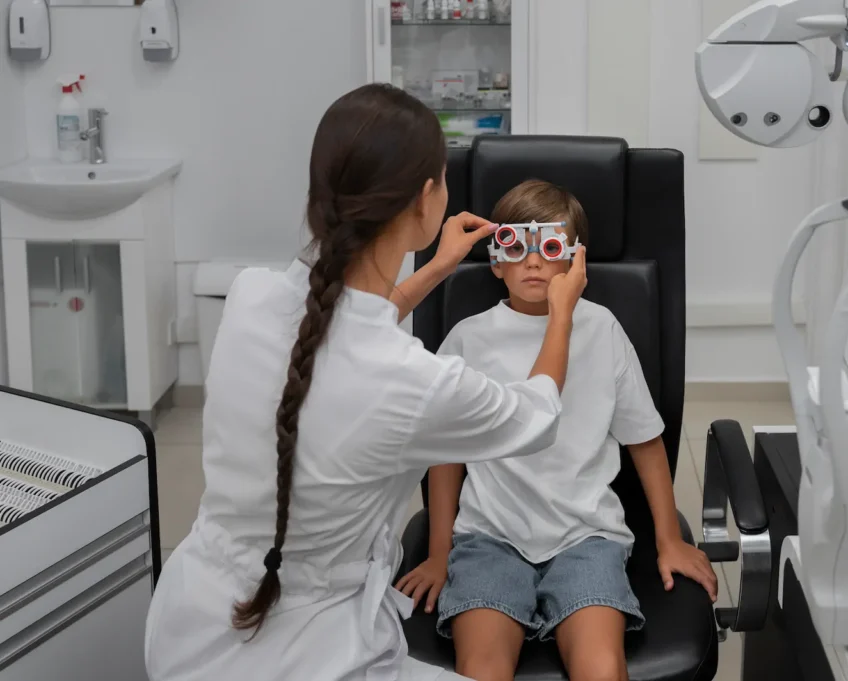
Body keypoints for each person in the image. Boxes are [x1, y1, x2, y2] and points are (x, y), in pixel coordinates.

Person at [144, 85, 587, 681]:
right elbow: (539, 416)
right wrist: (562, 314)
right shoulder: (416, 384)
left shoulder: (250, 297)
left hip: (190, 627)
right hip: (318, 652)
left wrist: (434, 270)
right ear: (427, 200)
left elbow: (342, 330)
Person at [397, 180, 717, 681]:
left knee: (602, 667)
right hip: (490, 536)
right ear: (495, 261)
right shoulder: (469, 338)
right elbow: (446, 455)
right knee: (481, 668)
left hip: (585, 534)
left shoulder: (602, 328)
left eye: (548, 247)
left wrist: (669, 537)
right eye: (515, 246)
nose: (532, 261)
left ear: (574, 260)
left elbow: (644, 439)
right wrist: (440, 552)